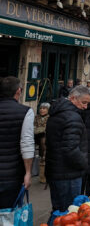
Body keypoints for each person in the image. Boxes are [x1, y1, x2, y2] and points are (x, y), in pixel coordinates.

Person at [45, 86, 90, 215]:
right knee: (69, 213)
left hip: (56, 170)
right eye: (84, 102)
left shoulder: (57, 113)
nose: (86, 107)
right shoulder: (72, 117)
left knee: (58, 211)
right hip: (68, 174)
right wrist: (84, 164)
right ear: (72, 99)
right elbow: (70, 149)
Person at [0, 76, 34, 209]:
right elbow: (26, 143)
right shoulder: (25, 112)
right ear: (18, 91)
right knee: (8, 214)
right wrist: (28, 172)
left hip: (10, 173)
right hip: (11, 174)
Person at [34, 102, 50, 184]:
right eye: (41, 108)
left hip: (45, 140)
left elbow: (45, 129)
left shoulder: (49, 118)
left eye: (44, 108)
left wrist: (39, 129)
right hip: (37, 138)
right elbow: (34, 127)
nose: (42, 110)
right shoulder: (36, 117)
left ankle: (44, 177)